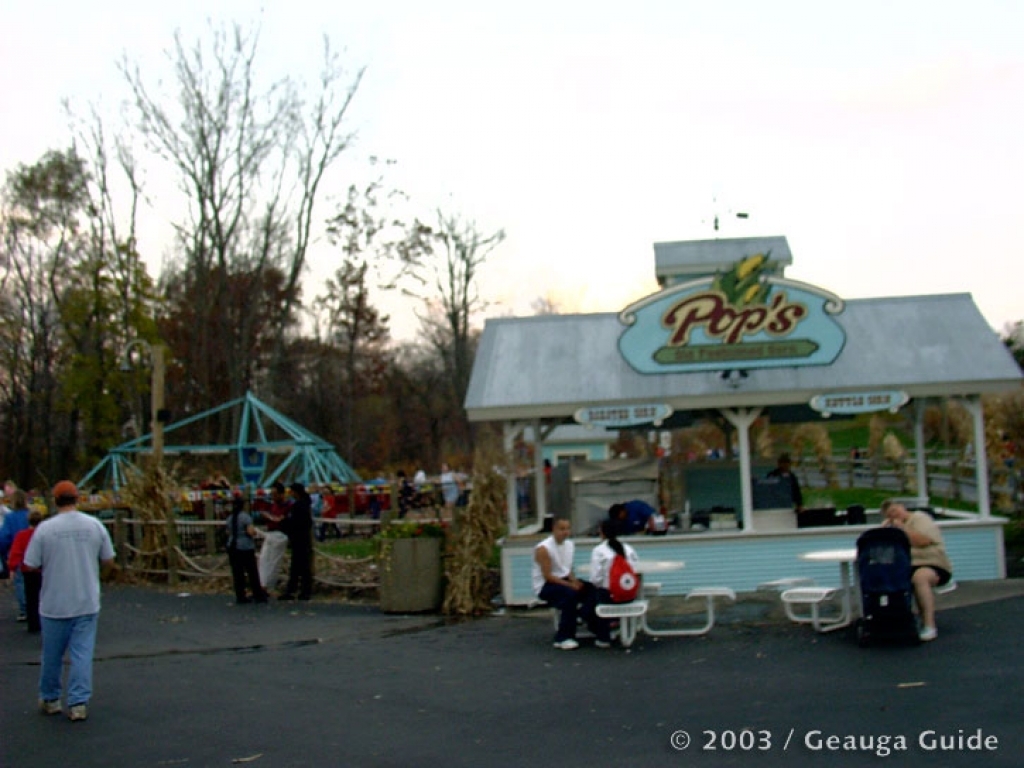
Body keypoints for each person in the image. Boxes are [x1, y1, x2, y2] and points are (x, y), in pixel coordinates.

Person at [23, 481, 116, 722]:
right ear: (77, 499)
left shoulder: (45, 529)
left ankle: (51, 697)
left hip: (54, 602)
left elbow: (30, 563)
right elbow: (108, 559)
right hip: (85, 599)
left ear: (55, 501)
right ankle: (78, 702)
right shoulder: (94, 525)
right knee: (82, 653)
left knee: (52, 655)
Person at [881, 500, 954, 642]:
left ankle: (929, 626)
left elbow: (922, 541)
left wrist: (902, 528)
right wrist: (884, 530)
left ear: (902, 508)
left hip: (931, 562)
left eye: (895, 511)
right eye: (890, 515)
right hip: (908, 566)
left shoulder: (920, 519)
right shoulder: (892, 527)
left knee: (919, 578)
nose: (894, 515)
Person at [532, 518, 604, 650]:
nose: (565, 532)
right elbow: (548, 576)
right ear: (554, 529)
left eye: (567, 529)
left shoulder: (570, 545)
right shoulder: (544, 548)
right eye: (562, 529)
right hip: (546, 585)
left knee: (592, 589)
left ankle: (590, 620)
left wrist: (574, 580)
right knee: (569, 596)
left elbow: (567, 568)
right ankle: (563, 637)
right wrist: (569, 585)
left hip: (564, 580)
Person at [8, 508, 46, 632]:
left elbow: (16, 552)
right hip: (44, 568)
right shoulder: (44, 534)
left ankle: (33, 623)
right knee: (44, 596)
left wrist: (12, 568)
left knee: (31, 596)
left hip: (28, 569)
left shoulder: (22, 535)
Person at [226, 495, 269, 605]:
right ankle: (257, 593)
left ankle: (240, 595)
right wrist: (255, 533)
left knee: (237, 572)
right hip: (245, 546)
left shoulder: (230, 518)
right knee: (252, 571)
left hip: (232, 545)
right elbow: (250, 531)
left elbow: (228, 532)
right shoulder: (245, 517)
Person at [0, 488, 31, 620]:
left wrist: (4, 553)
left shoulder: (10, 518)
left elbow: (4, 537)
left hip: (17, 552)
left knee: (20, 582)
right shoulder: (31, 515)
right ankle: (35, 606)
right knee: (35, 582)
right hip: (33, 552)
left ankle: (24, 609)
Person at [280, 482, 314, 601]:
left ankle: (295, 590)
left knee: (298, 566)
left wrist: (285, 523)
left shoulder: (298, 506)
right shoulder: (305, 504)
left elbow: (296, 523)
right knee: (302, 566)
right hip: (303, 538)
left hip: (298, 538)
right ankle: (301, 589)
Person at [257, 482, 291, 592]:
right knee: (263, 559)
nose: (273, 497)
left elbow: (280, 519)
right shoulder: (273, 505)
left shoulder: (288, 506)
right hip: (270, 533)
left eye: (275, 494)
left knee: (274, 562)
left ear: (282, 494)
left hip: (280, 534)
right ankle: (262, 583)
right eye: (272, 494)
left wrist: (272, 517)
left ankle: (268, 585)